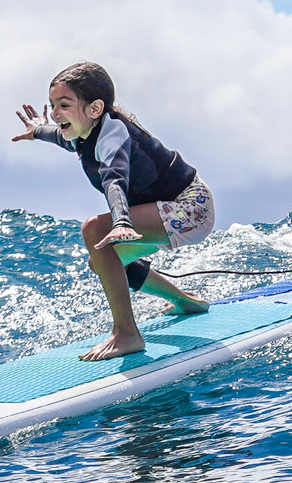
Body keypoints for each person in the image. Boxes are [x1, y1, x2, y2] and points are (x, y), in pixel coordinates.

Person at [12, 62, 216, 360]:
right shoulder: (87, 131)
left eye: (64, 105)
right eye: (53, 105)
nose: (55, 114)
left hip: (189, 207)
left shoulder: (112, 137)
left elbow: (115, 179)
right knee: (104, 263)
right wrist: (38, 131)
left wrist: (121, 220)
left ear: (95, 108)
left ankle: (127, 334)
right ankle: (187, 302)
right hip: (170, 209)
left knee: (93, 230)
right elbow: (62, 137)